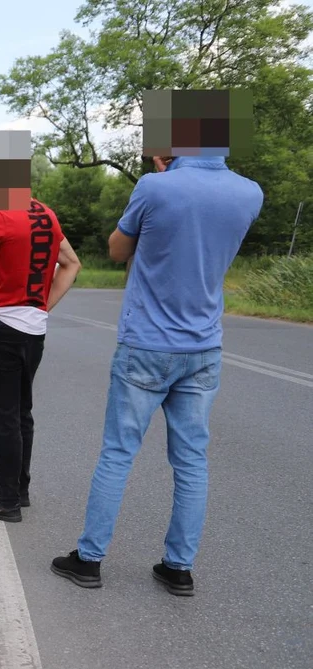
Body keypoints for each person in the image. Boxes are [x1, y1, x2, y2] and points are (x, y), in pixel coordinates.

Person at [52, 154, 263, 595]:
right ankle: (179, 567)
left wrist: (164, 178)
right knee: (191, 461)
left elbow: (117, 250)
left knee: (118, 452)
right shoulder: (249, 192)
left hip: (147, 344)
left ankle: (89, 560)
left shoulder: (154, 186)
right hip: (203, 346)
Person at [0, 199, 81, 522]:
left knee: (5, 417)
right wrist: (43, 306)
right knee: (23, 412)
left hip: (4, 329)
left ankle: (7, 501)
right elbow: (72, 264)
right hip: (35, 331)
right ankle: (20, 490)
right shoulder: (48, 215)